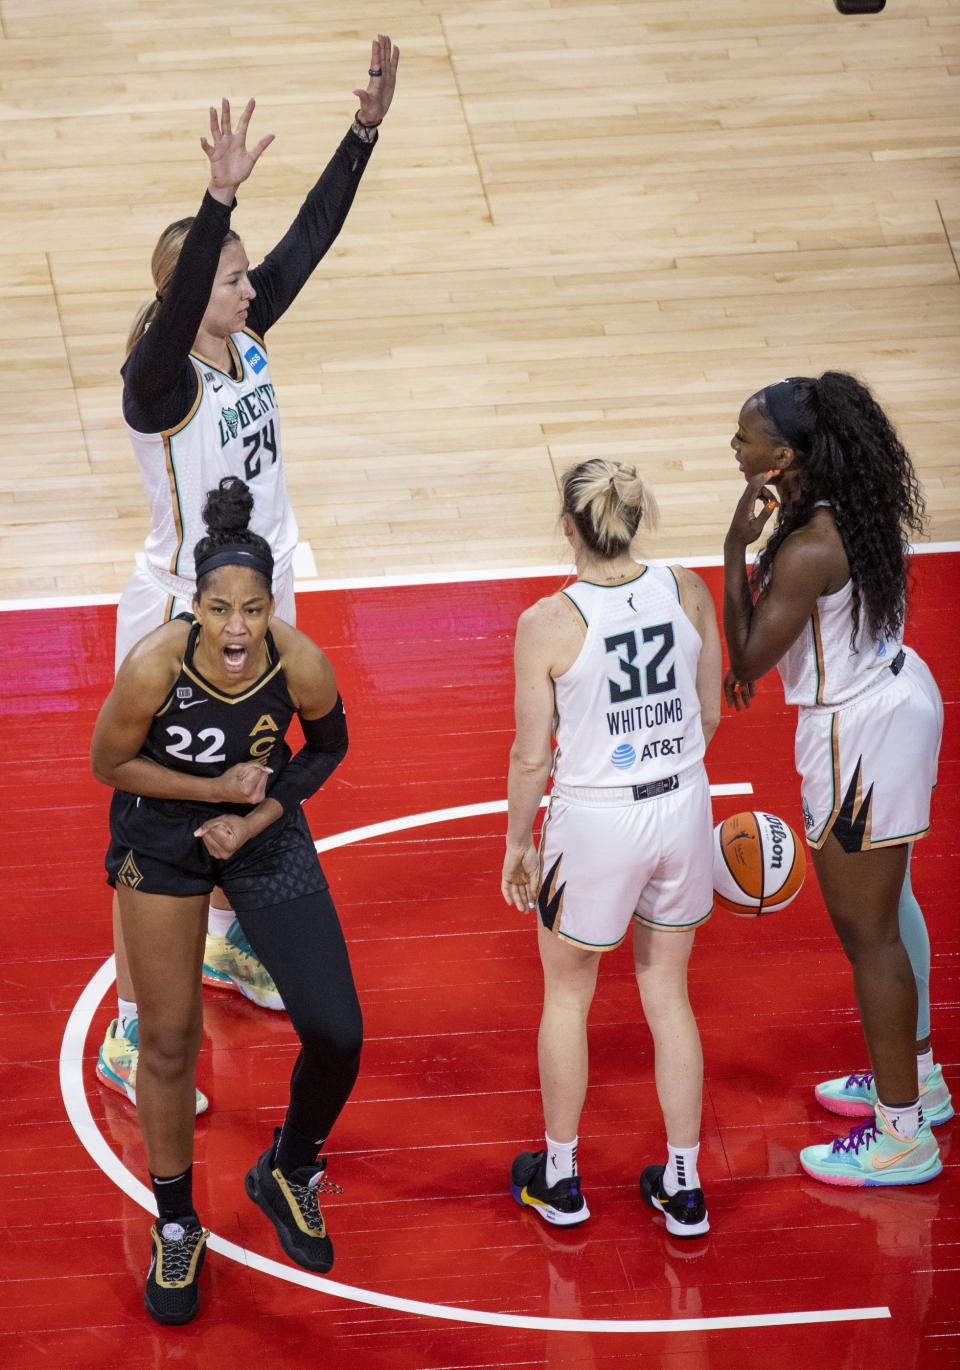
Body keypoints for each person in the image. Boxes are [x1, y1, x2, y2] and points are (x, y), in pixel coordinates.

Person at [96, 36, 399, 1115]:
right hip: (183, 603)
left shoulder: (246, 333)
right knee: (153, 816)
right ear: (189, 289)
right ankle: (134, 1028)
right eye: (229, 270)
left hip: (263, 583)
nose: (249, 276)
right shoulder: (157, 379)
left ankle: (222, 943)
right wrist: (213, 200)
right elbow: (187, 302)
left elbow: (307, 244)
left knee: (255, 758)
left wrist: (363, 134)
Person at [90, 477, 362, 1324]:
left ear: (270, 603)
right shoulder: (153, 665)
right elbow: (109, 764)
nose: (238, 628)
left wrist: (262, 814)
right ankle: (178, 1224)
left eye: (252, 608)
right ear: (195, 605)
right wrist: (214, 796)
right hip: (161, 835)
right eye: (220, 609)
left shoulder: (298, 660)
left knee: (337, 1028)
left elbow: (328, 746)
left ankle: (291, 1166)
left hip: (258, 826)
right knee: (169, 1042)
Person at [723, 370, 950, 1187]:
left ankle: (903, 1138)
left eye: (747, 437)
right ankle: (918, 1082)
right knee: (896, 908)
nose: (736, 447)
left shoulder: (812, 545)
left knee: (871, 938)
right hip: (892, 695)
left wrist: (730, 547)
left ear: (783, 456)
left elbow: (748, 659)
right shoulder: (848, 503)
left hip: (860, 734)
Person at [501, 459, 721, 1237]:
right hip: (683, 807)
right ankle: (685, 1186)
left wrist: (517, 843)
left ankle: (560, 1179)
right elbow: (709, 713)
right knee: (669, 995)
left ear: (571, 527)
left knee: (568, 995)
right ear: (635, 518)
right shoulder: (688, 588)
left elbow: (532, 757)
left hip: (598, 819)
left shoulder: (547, 622)